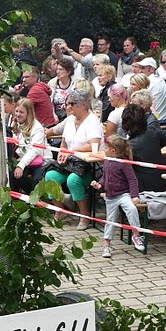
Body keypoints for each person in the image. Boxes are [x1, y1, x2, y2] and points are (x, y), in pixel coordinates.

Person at [44, 89, 103, 230]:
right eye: (68, 103)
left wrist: (71, 151)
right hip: (69, 161)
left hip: (88, 164)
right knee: (50, 176)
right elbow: (64, 143)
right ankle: (61, 209)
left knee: (73, 180)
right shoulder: (70, 120)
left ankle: (85, 214)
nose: (68, 106)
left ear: (83, 105)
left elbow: (93, 144)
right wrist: (61, 153)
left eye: (72, 103)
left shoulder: (92, 121)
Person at [90, 134, 146, 258]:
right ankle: (107, 245)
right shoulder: (107, 161)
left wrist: (134, 196)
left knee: (131, 209)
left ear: (113, 151)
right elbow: (105, 177)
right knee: (110, 220)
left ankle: (136, 235)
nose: (104, 150)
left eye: (106, 148)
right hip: (110, 196)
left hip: (123, 194)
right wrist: (100, 185)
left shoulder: (124, 163)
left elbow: (132, 180)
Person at [122, 103, 166, 192]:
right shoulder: (152, 132)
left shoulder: (130, 145)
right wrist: (157, 145)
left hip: (143, 186)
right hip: (162, 180)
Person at [9, 98, 52, 194]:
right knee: (15, 176)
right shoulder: (14, 124)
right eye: (16, 111)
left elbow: (34, 150)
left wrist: (21, 165)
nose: (18, 114)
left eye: (21, 112)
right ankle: (29, 196)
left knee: (36, 181)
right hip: (25, 159)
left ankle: (37, 200)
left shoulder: (37, 128)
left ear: (29, 113)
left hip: (41, 160)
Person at [139, 57, 166, 122]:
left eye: (143, 68)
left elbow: (143, 103)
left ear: (152, 69)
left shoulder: (149, 82)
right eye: (140, 67)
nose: (140, 70)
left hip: (154, 120)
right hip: (162, 118)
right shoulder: (160, 79)